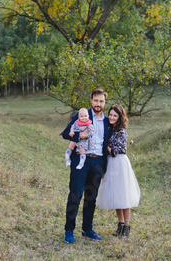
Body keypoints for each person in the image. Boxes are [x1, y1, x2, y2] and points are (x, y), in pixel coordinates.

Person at [61, 89, 110, 243]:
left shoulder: (107, 121)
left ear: (104, 103)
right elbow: (64, 133)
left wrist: (104, 166)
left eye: (101, 101)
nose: (98, 104)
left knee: (91, 197)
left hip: (97, 162)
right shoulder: (82, 115)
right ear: (91, 101)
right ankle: (69, 230)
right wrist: (79, 136)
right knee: (75, 194)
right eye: (96, 100)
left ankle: (87, 229)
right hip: (80, 160)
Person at [97, 104, 140, 238]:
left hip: (120, 163)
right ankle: (120, 224)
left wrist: (106, 147)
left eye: (115, 115)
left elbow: (116, 152)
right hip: (111, 164)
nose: (112, 117)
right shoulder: (110, 129)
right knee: (115, 194)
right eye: (110, 114)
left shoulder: (121, 132)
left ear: (120, 117)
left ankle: (127, 226)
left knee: (123, 194)